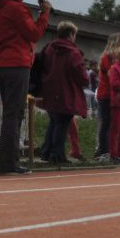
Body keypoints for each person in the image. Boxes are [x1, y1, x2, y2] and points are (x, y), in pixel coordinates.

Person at [0, 0, 51, 175]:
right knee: (13, 114)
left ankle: (9, 162)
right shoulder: (16, 8)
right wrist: (44, 14)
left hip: (3, 64)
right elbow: (33, 34)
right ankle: (9, 164)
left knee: (11, 113)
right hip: (16, 63)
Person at [38, 21, 88, 164]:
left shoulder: (49, 48)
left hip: (49, 89)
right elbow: (80, 73)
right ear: (71, 34)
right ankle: (57, 155)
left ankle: (46, 152)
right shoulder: (73, 52)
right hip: (66, 91)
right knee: (62, 123)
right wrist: (85, 80)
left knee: (54, 121)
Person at [94, 33, 120, 161]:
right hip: (106, 94)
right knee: (106, 122)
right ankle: (102, 150)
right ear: (116, 42)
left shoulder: (118, 58)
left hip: (114, 95)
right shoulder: (107, 57)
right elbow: (112, 75)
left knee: (111, 123)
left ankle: (108, 149)